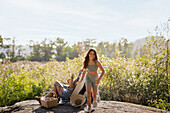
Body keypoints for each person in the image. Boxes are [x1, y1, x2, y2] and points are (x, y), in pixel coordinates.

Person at [76, 48, 105, 112]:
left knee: (94, 95)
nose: (92, 55)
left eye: (93, 54)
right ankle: (89, 107)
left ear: (95, 55)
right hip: (88, 78)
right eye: (90, 54)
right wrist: (81, 80)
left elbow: (103, 71)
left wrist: (98, 80)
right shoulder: (86, 62)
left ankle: (95, 99)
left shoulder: (96, 62)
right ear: (88, 54)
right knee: (88, 94)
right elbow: (84, 71)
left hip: (95, 78)